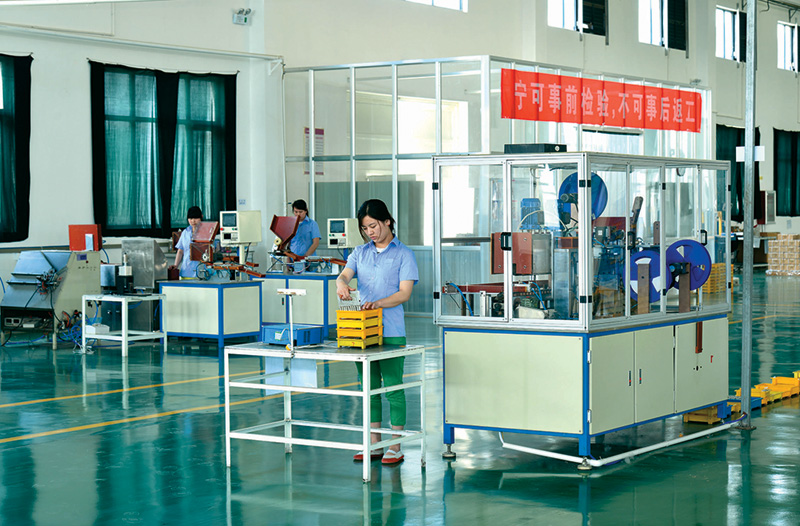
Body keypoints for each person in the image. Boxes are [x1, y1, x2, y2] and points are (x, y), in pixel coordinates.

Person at [336, 199, 419, 465]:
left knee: (394, 388)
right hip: (364, 332)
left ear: (387, 222)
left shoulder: (404, 254)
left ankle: (395, 445)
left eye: (373, 226)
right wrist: (341, 283)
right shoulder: (360, 252)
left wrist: (379, 303)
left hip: (391, 330)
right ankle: (374, 444)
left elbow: (404, 293)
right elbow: (345, 275)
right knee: (369, 389)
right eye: (365, 228)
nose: (370, 232)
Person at [288, 199, 321, 273]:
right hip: (293, 262)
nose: (298, 214)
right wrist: (288, 261)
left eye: (300, 212)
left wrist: (305, 257)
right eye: (296, 212)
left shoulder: (312, 224)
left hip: (309, 262)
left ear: (306, 211)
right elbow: (288, 245)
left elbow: (315, 243)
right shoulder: (290, 224)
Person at [172, 206, 203, 278]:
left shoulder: (206, 232)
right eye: (191, 218)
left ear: (201, 217)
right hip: (186, 271)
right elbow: (180, 251)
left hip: (201, 272)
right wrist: (176, 265)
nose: (193, 221)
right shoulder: (185, 232)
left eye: (195, 218)